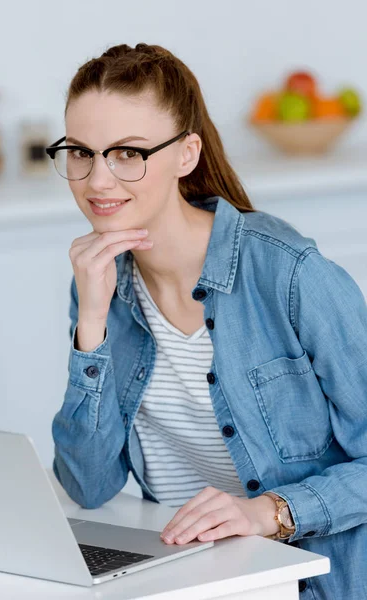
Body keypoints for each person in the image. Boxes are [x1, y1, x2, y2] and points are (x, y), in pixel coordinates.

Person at [47, 43, 367, 599]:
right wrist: (91, 326)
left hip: (308, 581)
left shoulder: (290, 275)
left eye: (127, 153)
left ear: (187, 154)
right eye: (81, 152)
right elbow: (86, 483)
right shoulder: (98, 283)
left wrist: (272, 512)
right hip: (183, 580)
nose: (97, 181)